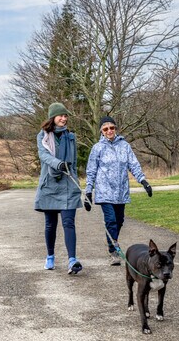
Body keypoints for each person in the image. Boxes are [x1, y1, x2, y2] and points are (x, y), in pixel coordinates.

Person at [84, 116, 153, 265]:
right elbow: (91, 171)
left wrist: (144, 181)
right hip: (104, 191)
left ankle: (113, 240)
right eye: (105, 129)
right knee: (111, 220)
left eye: (112, 128)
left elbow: (133, 165)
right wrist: (88, 192)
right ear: (102, 131)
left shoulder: (124, 146)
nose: (109, 131)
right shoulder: (97, 148)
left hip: (121, 192)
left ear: (115, 129)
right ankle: (113, 250)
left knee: (119, 220)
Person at [34, 102, 83, 274]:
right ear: (53, 117)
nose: (64, 118)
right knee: (50, 224)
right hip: (50, 185)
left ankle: (72, 260)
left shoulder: (71, 136)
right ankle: (50, 256)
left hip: (68, 184)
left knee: (69, 222)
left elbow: (75, 162)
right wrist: (59, 164)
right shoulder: (43, 136)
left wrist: (75, 178)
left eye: (65, 115)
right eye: (60, 115)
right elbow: (44, 156)